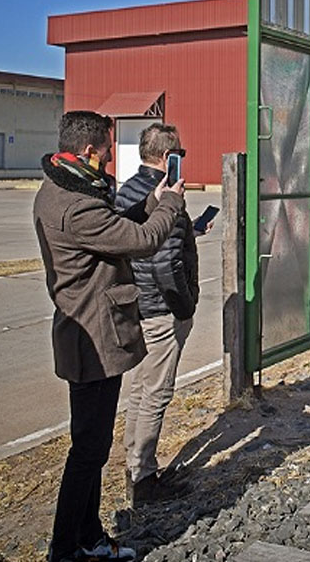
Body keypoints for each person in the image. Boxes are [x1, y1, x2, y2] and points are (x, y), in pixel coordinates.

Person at [34, 111, 184, 562]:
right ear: (87, 152)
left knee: (91, 448)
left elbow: (116, 231)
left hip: (87, 333)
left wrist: (150, 202)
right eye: (105, 152)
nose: (109, 163)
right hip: (94, 338)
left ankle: (89, 537)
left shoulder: (61, 187)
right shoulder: (77, 205)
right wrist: (171, 205)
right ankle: (68, 547)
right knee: (88, 452)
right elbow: (138, 242)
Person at [114, 124, 200, 506]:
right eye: (181, 153)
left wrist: (190, 230)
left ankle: (134, 465)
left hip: (137, 304)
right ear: (169, 159)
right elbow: (166, 263)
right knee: (157, 393)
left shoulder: (127, 192)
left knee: (139, 389)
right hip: (162, 309)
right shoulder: (169, 198)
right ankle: (144, 478)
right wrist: (185, 307)